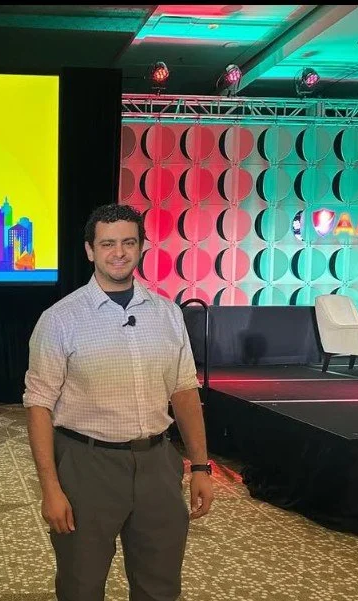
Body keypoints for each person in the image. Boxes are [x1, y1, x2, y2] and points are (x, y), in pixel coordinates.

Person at [23, 203, 213, 601]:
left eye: (129, 242)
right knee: (81, 585)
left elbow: (184, 391)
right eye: (107, 244)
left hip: (158, 464)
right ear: (90, 251)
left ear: (141, 246)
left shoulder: (167, 314)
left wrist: (200, 466)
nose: (119, 252)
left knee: (160, 586)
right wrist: (50, 489)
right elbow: (38, 404)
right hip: (86, 466)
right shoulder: (60, 319)